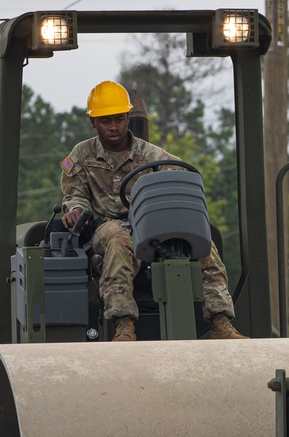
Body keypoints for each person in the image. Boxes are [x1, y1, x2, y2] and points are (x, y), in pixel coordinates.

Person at [59, 80, 247, 341]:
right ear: (93, 123)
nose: (113, 126)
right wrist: (77, 209)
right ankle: (123, 325)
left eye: (118, 119)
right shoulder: (81, 154)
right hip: (106, 225)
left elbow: (183, 175)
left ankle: (220, 321)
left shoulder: (150, 155)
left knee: (204, 243)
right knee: (118, 241)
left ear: (127, 119)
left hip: (151, 225)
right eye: (105, 121)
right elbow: (75, 193)